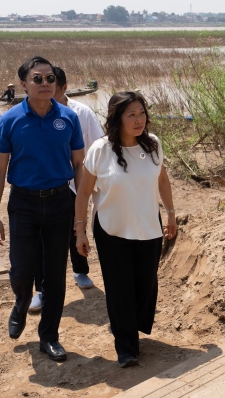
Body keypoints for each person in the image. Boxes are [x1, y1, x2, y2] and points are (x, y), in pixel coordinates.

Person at [0, 56, 86, 362]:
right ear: (24, 85)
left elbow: (80, 164)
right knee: (22, 268)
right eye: (38, 79)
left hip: (60, 202)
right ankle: (21, 302)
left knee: (55, 275)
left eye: (50, 79)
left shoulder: (68, 118)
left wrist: (81, 214)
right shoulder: (10, 120)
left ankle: (49, 337)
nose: (45, 84)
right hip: (24, 203)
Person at [74, 91, 177, 368]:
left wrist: (171, 213)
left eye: (141, 113)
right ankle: (126, 347)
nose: (138, 119)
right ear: (117, 118)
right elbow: (83, 193)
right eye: (131, 114)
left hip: (148, 227)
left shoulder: (153, 145)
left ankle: (131, 326)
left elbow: (163, 180)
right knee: (120, 289)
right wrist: (80, 230)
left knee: (145, 284)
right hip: (111, 229)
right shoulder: (101, 149)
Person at [27, 66, 104, 314]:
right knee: (42, 240)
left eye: (53, 88)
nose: (47, 94)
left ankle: (80, 271)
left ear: (63, 88)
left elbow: (97, 146)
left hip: (75, 184)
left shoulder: (80, 113)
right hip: (43, 186)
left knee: (76, 229)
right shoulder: (32, 113)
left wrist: (93, 184)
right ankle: (41, 289)